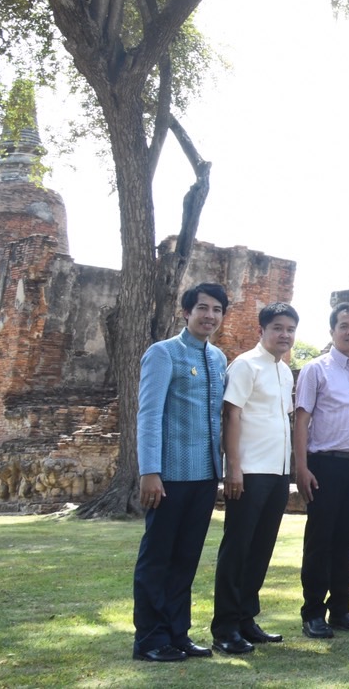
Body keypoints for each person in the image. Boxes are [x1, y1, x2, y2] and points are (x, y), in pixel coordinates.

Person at [131, 282, 230, 662]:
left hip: (205, 475)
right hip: (168, 476)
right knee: (158, 557)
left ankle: (178, 633)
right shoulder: (163, 353)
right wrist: (149, 471)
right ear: (186, 312)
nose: (209, 315)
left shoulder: (218, 358)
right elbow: (149, 415)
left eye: (217, 309)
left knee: (186, 558)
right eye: (202, 308)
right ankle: (150, 639)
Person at [210, 301, 297, 655]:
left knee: (261, 548)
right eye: (277, 327)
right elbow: (231, 415)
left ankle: (247, 617)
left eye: (290, 329)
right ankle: (225, 627)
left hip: (277, 472)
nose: (285, 335)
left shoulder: (286, 371)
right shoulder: (246, 365)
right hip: (248, 471)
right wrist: (233, 468)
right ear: (261, 330)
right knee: (237, 548)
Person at [294, 303, 349, 638]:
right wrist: (301, 467)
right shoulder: (316, 369)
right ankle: (312, 611)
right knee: (320, 539)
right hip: (324, 465)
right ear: (332, 331)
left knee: (346, 539)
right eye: (344, 326)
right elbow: (301, 420)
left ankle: (340, 608)